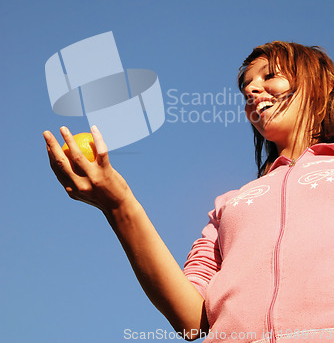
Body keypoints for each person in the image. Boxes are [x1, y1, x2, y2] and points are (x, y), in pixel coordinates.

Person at [43, 41, 334, 342]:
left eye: (269, 75)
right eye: (246, 86)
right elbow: (191, 319)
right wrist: (118, 205)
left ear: (323, 86)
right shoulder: (231, 204)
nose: (252, 90)